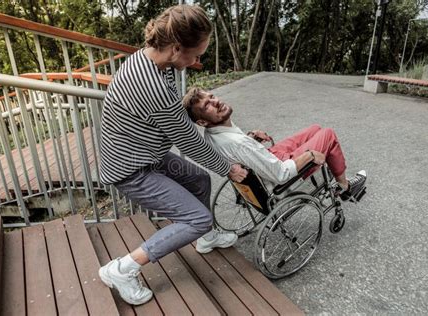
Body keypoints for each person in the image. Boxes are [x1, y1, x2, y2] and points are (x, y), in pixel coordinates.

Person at [98, 5, 247, 306]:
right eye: (195, 55)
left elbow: (174, 121)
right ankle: (122, 269)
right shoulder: (152, 86)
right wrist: (229, 168)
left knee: (199, 179)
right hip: (131, 169)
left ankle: (205, 238)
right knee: (197, 218)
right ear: (177, 47)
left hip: (145, 152)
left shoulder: (152, 61)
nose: (197, 61)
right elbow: (190, 142)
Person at [182, 87, 367, 199]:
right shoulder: (238, 143)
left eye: (212, 97)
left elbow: (238, 150)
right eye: (207, 106)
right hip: (277, 175)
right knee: (328, 134)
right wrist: (309, 155)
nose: (216, 102)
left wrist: (251, 137)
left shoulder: (212, 133)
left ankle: (339, 181)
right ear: (202, 122)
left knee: (315, 129)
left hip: (265, 161)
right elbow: (280, 174)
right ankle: (345, 188)